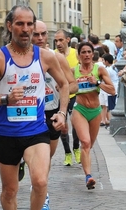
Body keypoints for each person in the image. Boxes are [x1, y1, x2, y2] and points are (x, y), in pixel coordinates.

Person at [0, 5, 69, 210]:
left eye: (30, 24)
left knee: (40, 181)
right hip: (7, 134)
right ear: (10, 26)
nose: (26, 29)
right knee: (10, 191)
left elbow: (64, 85)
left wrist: (61, 113)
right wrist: (6, 99)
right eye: (20, 24)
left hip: (36, 130)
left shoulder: (45, 57)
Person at [25, 20, 78, 210]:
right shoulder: (21, 58)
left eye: (43, 34)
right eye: (36, 34)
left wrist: (62, 90)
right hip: (28, 113)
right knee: (34, 157)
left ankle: (40, 191)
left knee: (46, 158)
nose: (39, 38)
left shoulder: (56, 59)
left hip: (50, 112)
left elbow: (73, 85)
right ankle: (40, 190)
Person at [71, 42, 115, 189]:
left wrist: (96, 82)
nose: (86, 55)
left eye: (89, 52)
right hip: (80, 110)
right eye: (83, 52)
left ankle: (87, 170)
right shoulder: (74, 71)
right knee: (85, 142)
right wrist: (72, 85)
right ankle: (88, 176)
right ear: (79, 55)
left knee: (89, 145)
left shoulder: (99, 69)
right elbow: (63, 87)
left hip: (95, 111)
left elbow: (112, 90)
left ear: (93, 54)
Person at [54, 29, 81, 166]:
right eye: (56, 40)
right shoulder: (52, 55)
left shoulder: (75, 55)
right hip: (59, 97)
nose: (58, 43)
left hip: (74, 93)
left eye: (61, 40)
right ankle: (67, 153)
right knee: (63, 127)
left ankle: (76, 147)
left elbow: (82, 70)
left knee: (76, 123)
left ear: (68, 40)